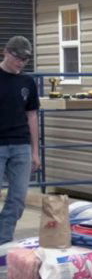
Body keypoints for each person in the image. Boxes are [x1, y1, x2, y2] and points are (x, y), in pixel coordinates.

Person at [0, 36, 40, 244]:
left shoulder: (27, 82)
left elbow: (32, 116)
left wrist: (35, 151)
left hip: (21, 145)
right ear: (5, 52)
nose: (21, 63)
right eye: (18, 58)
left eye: (25, 60)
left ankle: (3, 241)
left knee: (17, 198)